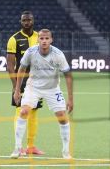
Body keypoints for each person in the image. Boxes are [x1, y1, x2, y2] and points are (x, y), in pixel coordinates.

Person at [10, 29, 73, 159]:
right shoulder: (31, 52)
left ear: (51, 40)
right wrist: (17, 90)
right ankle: (17, 148)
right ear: (38, 39)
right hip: (33, 87)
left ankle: (66, 151)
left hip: (52, 88)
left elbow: (68, 75)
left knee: (62, 116)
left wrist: (70, 99)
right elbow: (21, 69)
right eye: (41, 38)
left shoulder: (58, 54)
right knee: (23, 112)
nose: (44, 41)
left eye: (46, 38)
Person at [6, 11, 43, 156]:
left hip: (37, 80)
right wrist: (15, 85)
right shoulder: (14, 39)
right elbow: (10, 65)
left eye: (29, 20)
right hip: (21, 80)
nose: (27, 22)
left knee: (33, 112)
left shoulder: (39, 37)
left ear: (33, 21)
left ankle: (31, 146)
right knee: (20, 111)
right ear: (21, 22)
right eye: (24, 20)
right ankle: (18, 146)